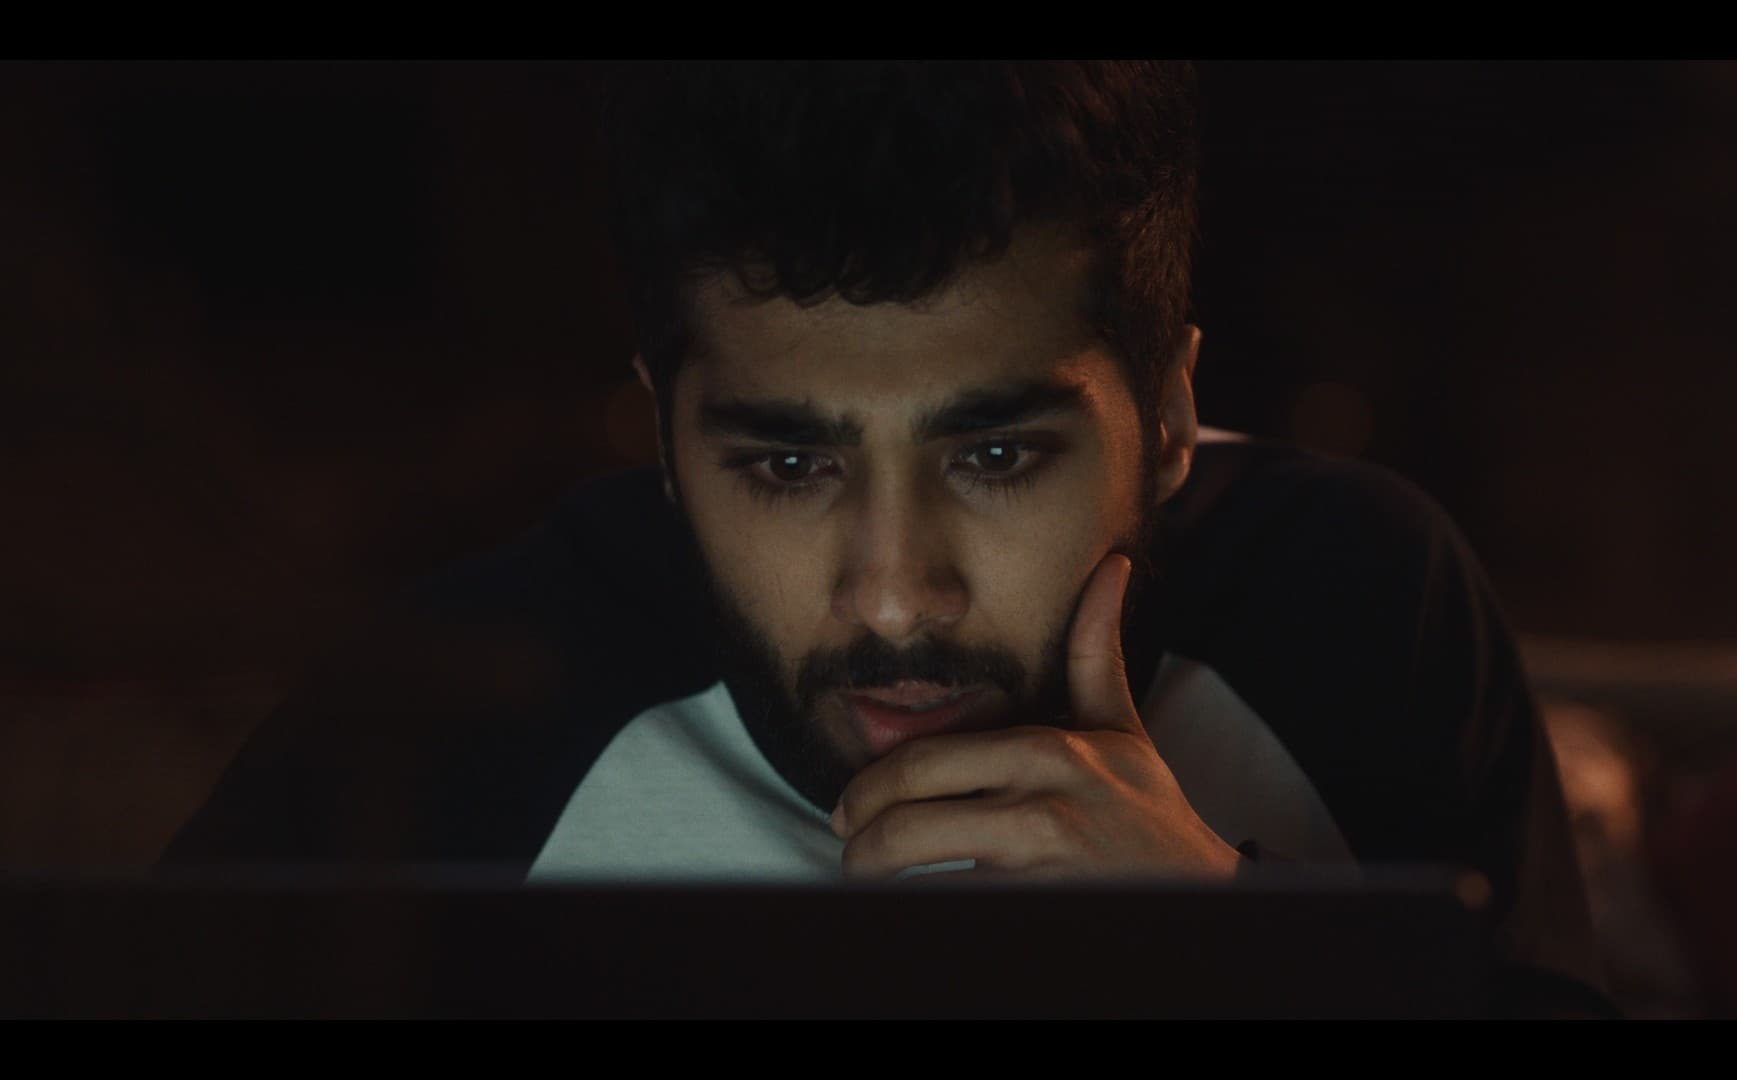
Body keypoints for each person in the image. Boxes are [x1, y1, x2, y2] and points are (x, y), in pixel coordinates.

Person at [166, 61, 1611, 1014]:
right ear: (665, 442)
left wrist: (1239, 950)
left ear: (1168, 418)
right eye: (789, 465)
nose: (897, 597)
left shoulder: (1357, 608)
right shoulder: (463, 715)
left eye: (995, 455)